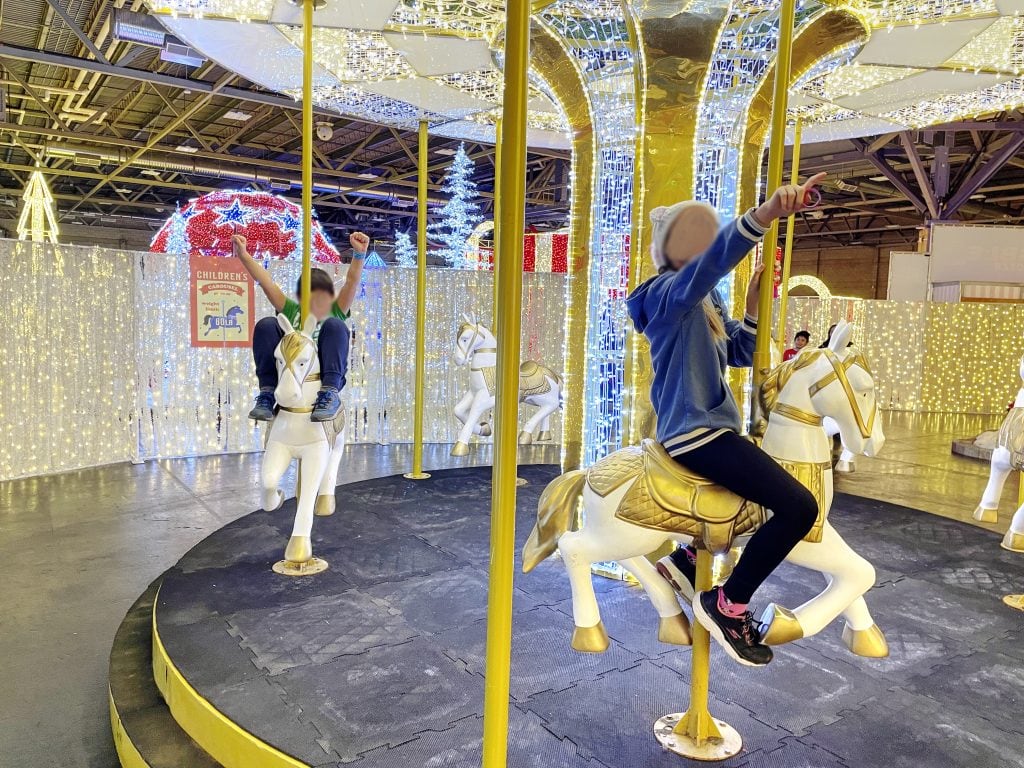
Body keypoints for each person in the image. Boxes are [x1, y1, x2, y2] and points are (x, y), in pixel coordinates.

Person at [625, 172, 826, 667]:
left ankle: (686, 559)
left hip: (716, 427)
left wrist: (754, 307)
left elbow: (739, 350)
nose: (703, 246)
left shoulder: (705, 300)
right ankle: (729, 604)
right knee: (800, 508)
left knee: (765, 492)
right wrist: (767, 214)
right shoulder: (665, 294)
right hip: (695, 431)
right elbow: (713, 263)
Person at [232, 232, 369, 422]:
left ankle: (330, 392)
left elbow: (351, 282)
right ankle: (267, 392)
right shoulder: (291, 310)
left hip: (323, 372)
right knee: (267, 325)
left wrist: (359, 254)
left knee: (335, 325)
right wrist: (244, 255)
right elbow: (266, 282)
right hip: (293, 370)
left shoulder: (335, 310)